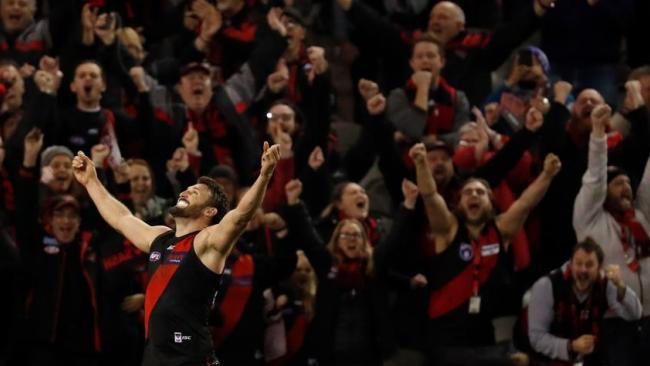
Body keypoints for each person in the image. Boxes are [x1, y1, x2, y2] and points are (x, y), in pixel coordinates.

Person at [71, 141, 282, 366]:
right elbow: (122, 219)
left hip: (191, 358)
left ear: (209, 211)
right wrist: (91, 182)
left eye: (196, 192)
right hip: (154, 357)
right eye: (188, 188)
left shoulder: (207, 242)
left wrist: (264, 175)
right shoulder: (160, 238)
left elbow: (239, 217)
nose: (186, 190)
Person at [410, 141, 561, 364]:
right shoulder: (448, 230)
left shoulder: (501, 230)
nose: (473, 195)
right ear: (459, 203)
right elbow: (431, 196)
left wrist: (547, 174)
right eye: (468, 192)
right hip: (445, 337)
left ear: (490, 202)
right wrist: (421, 163)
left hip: (484, 335)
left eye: (480, 192)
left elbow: (526, 202)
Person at [572, 104, 650, 366]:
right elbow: (595, 177)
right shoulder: (590, 221)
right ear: (604, 193)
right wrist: (597, 132)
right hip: (611, 324)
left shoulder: (641, 217)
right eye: (618, 184)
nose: (626, 187)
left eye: (628, 183)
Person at [527, 240, 642, 365]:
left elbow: (635, 314)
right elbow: (536, 338)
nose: (583, 270)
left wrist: (621, 285)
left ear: (599, 267)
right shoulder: (546, 285)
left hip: (588, 358)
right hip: (548, 360)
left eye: (589, 264)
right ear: (571, 264)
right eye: (578, 263)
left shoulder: (605, 284)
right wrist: (571, 346)